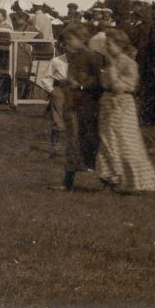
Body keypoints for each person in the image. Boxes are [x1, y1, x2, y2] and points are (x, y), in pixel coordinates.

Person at [96, 28, 155, 194]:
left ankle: (135, 182)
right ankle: (110, 180)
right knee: (108, 141)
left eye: (109, 44)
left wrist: (111, 69)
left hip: (122, 105)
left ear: (120, 45)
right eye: (106, 44)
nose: (107, 47)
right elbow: (104, 84)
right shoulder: (107, 62)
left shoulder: (129, 64)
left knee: (125, 141)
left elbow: (119, 87)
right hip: (107, 104)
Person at [61, 23, 104, 191]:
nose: (67, 44)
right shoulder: (73, 56)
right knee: (72, 142)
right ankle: (68, 181)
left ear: (82, 39)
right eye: (65, 41)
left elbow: (99, 83)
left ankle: (97, 180)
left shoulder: (93, 57)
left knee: (88, 142)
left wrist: (79, 86)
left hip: (87, 107)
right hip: (73, 105)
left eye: (70, 39)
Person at [40, 46, 69, 157]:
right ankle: (53, 147)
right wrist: (52, 90)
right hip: (59, 92)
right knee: (58, 122)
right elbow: (45, 78)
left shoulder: (79, 61)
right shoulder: (56, 61)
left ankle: (71, 149)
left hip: (74, 92)